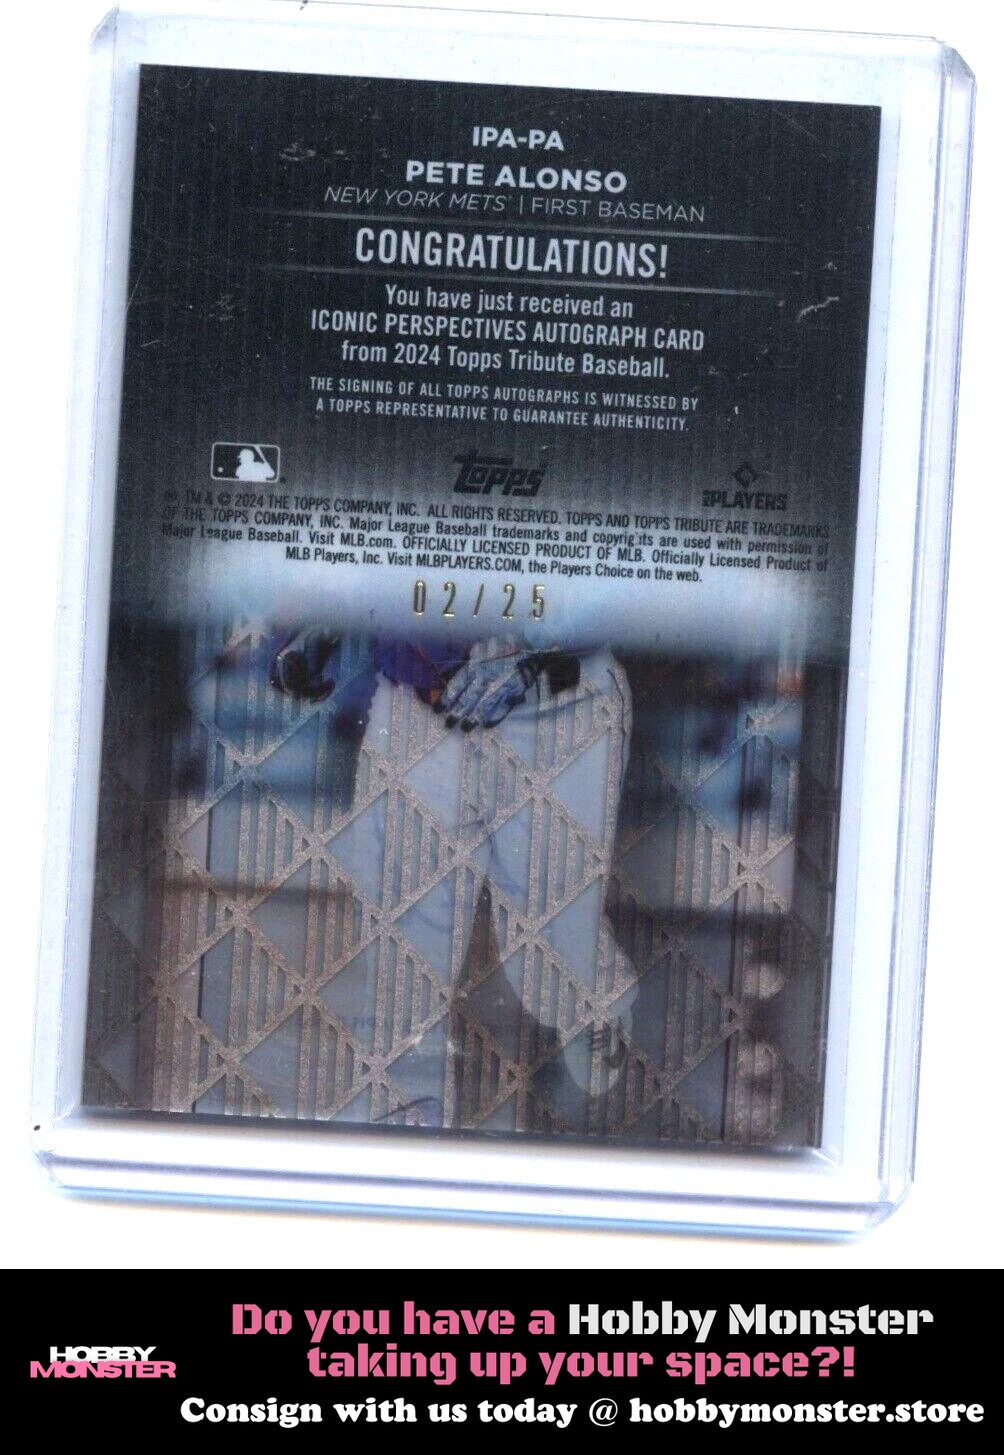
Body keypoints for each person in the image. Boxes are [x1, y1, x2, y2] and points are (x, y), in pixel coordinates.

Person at [268, 626, 637, 1133]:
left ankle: (592, 1000)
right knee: (403, 953)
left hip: (553, 705)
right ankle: (407, 1123)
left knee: (549, 948)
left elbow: (639, 585)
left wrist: (533, 651)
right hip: (417, 709)